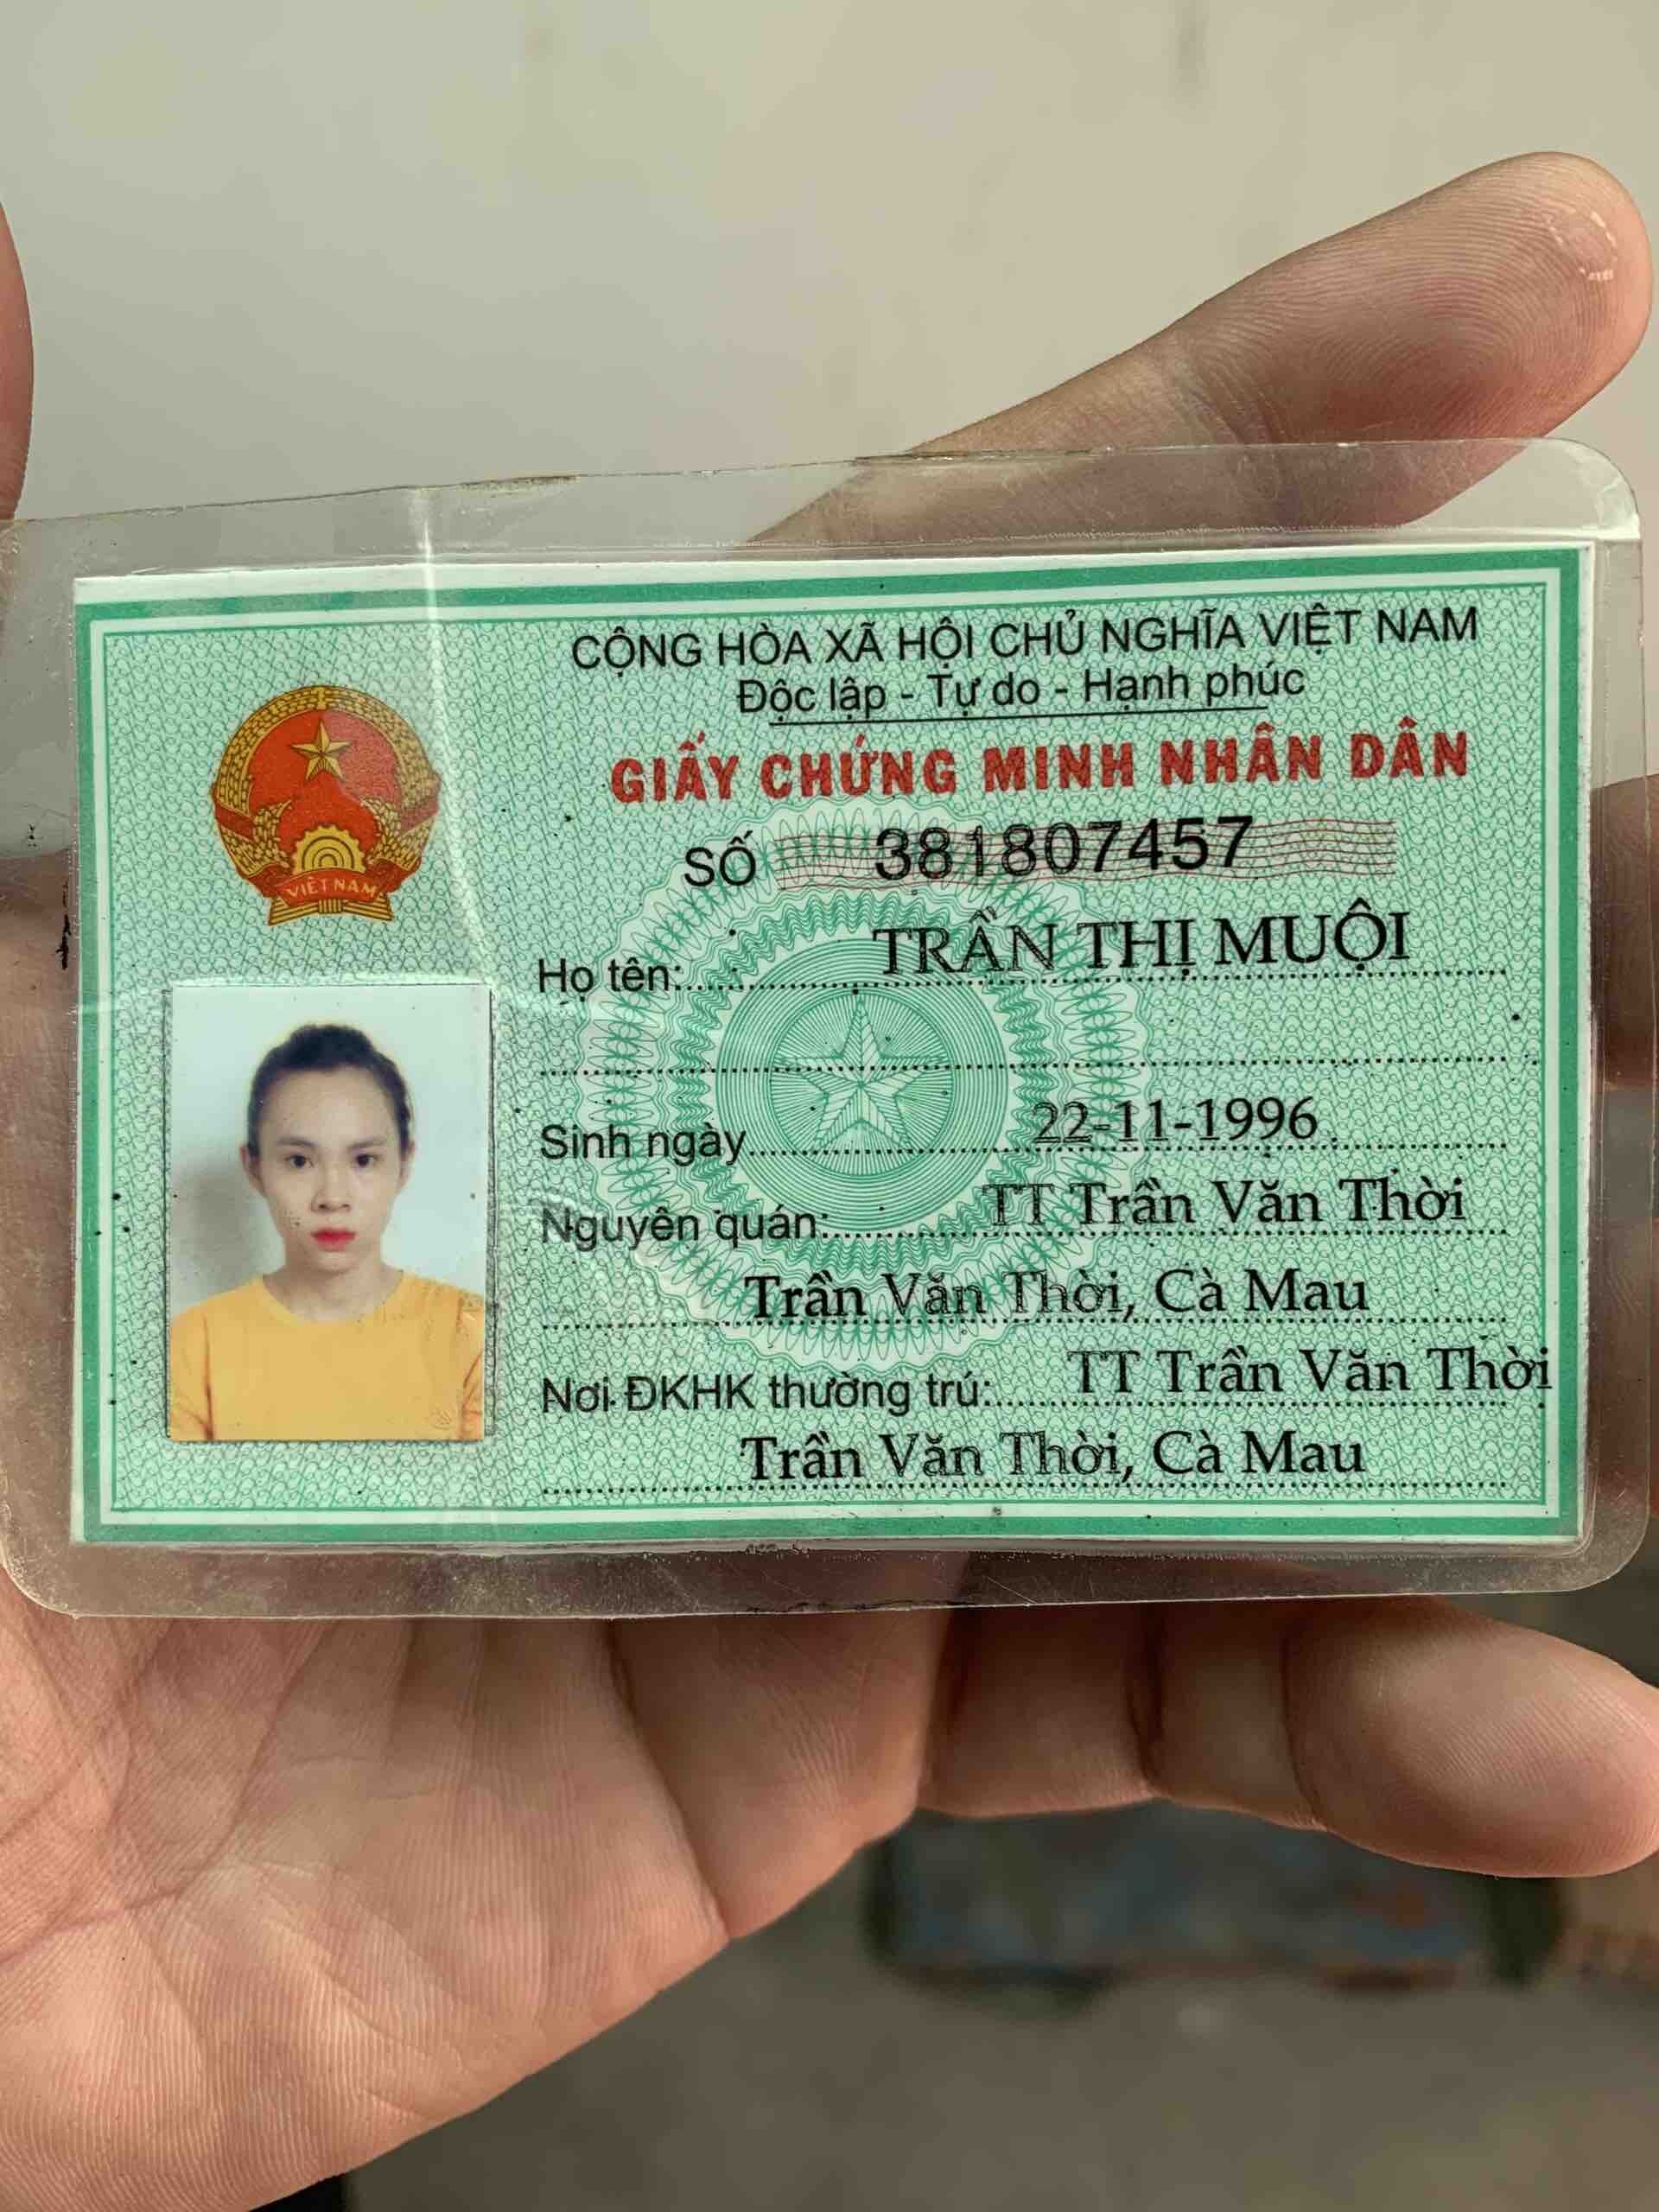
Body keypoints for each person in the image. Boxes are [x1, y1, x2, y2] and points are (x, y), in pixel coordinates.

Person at [0, 153, 1657, 2212]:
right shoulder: (205, 1382)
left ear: (412, 1157)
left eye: (364, 1150)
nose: (332, 1189)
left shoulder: (416, 1340)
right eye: (297, 1152)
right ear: (249, 1160)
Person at [168, 1021, 485, 1442]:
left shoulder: (474, 1335)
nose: (333, 1198)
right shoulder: (191, 1346)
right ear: (255, 1169)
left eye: (364, 1160)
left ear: (404, 1164)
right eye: (299, 1161)